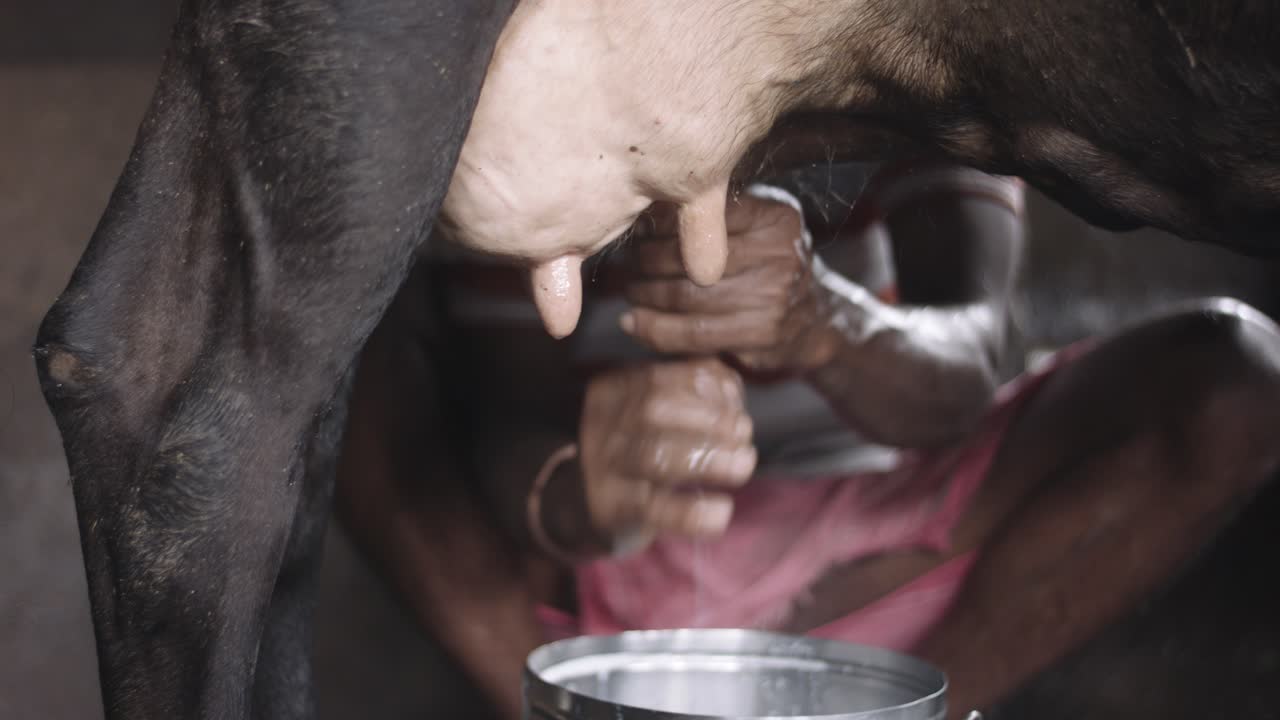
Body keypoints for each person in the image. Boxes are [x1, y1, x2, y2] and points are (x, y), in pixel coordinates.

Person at [335, 158, 1280, 720]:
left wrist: (828, 324)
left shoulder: (906, 46)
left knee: (1240, 377)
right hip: (584, 585)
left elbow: (977, 353)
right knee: (334, 353)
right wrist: (586, 483)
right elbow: (494, 442)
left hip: (891, 556)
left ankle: (908, 710)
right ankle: (557, 707)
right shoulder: (535, 96)